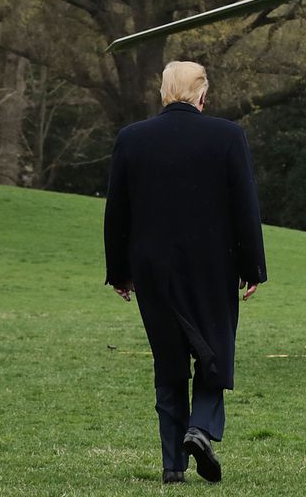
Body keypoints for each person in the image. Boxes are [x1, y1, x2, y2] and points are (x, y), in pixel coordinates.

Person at [105, 61, 267, 485]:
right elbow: (245, 205)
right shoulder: (228, 136)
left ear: (163, 93)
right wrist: (254, 267)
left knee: (169, 361)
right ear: (202, 95)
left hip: (152, 267)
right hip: (214, 264)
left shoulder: (131, 138)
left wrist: (119, 272)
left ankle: (172, 466)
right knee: (215, 351)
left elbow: (117, 211)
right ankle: (201, 428)